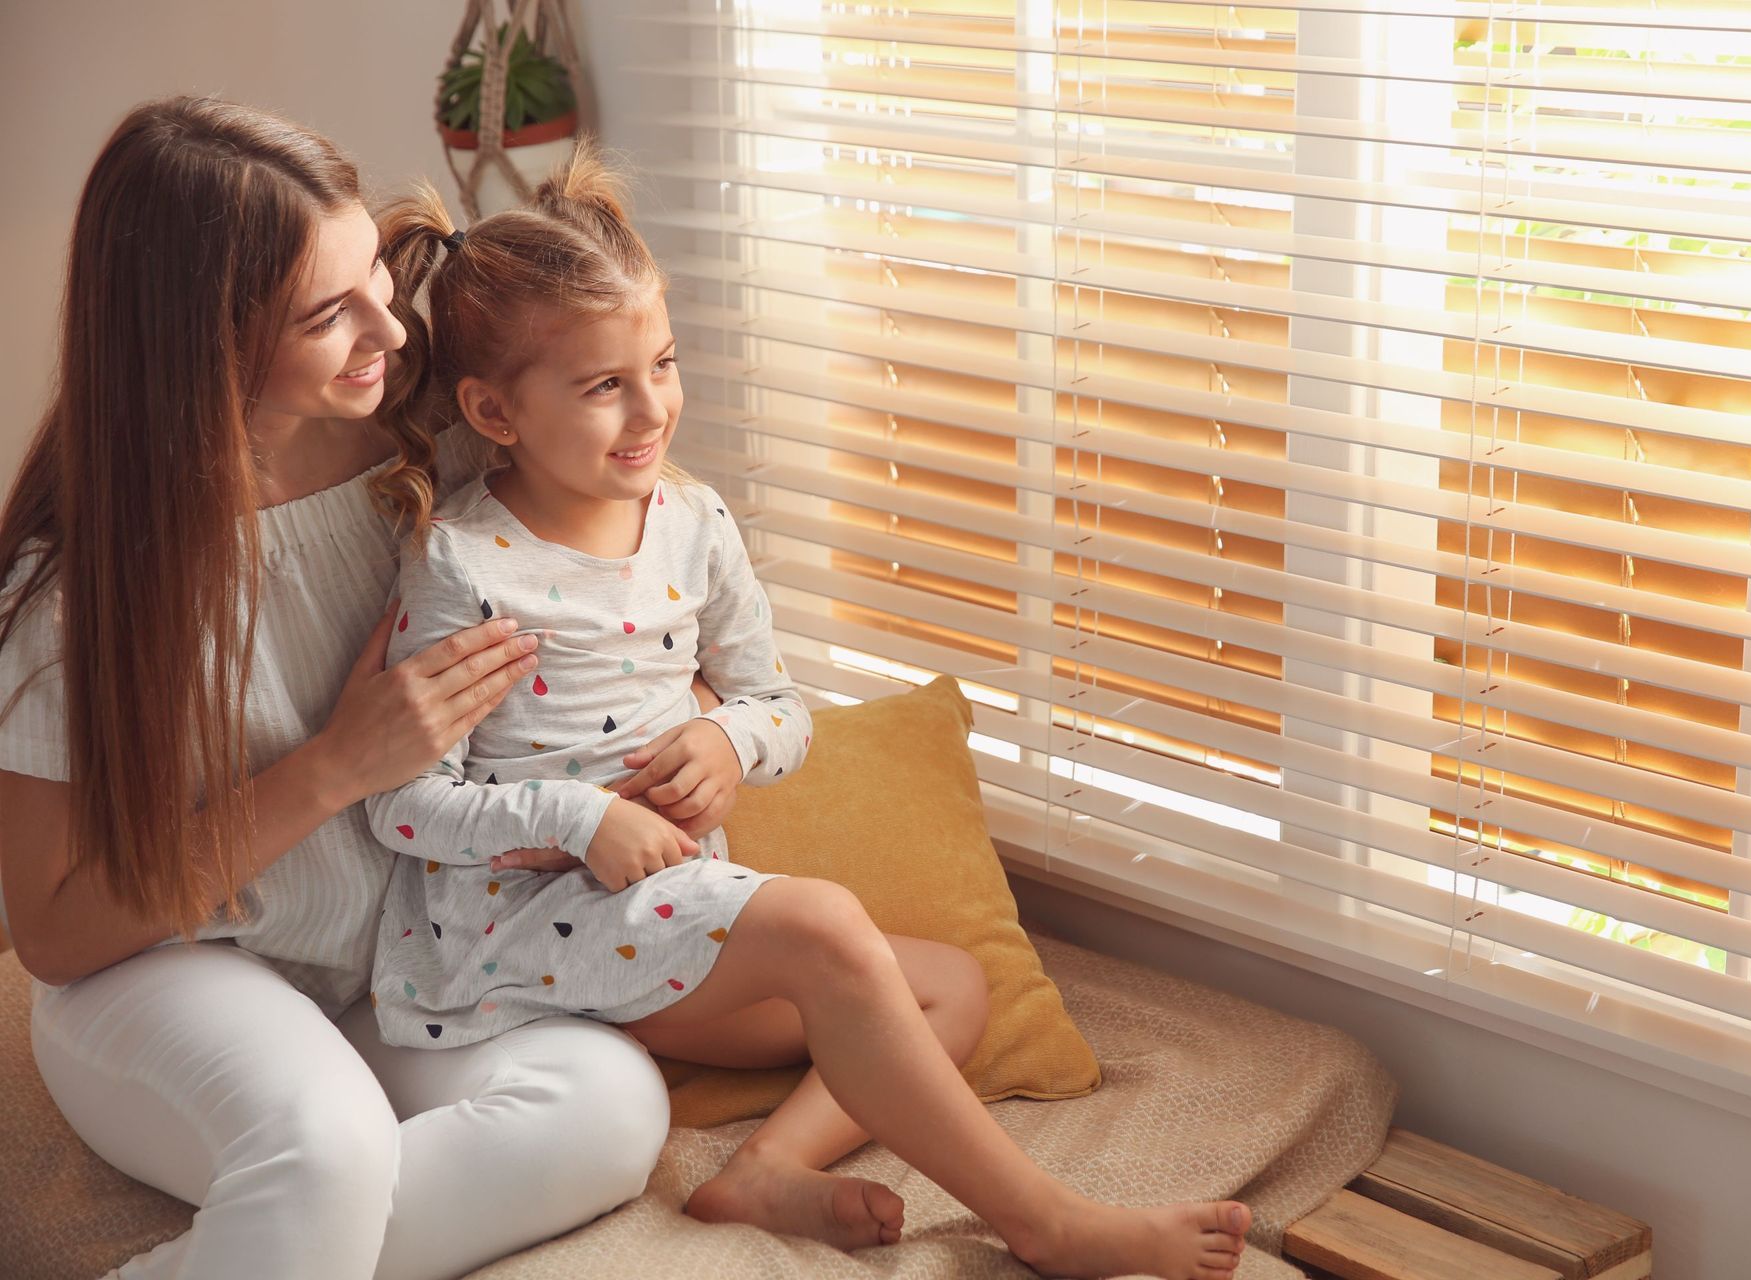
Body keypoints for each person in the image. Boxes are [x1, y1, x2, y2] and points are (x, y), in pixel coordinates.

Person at [357, 143, 1253, 1280]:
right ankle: (1046, 1221)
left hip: (667, 921)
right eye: (602, 386)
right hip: (523, 933)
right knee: (826, 924)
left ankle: (765, 1169)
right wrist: (584, 819)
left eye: (662, 364)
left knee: (952, 987)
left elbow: (780, 705)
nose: (652, 408)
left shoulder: (694, 523)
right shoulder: (462, 562)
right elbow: (401, 805)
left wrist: (727, 739)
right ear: (494, 410)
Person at [0, 97, 710, 1280]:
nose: (389, 325)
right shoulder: (76, 590)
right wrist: (335, 765)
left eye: (374, 272)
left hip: (403, 959)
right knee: (328, 1149)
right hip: (169, 966)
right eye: (329, 314)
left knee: (608, 1103)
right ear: (202, 342)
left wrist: (703, 738)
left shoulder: (439, 439)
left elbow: (642, 565)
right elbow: (56, 934)